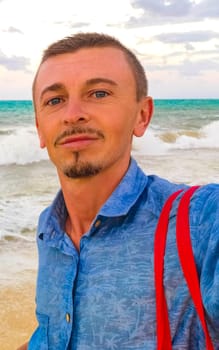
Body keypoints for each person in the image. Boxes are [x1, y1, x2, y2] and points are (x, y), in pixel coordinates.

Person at [17, 32, 219, 350]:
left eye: (98, 93)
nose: (73, 114)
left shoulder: (199, 220)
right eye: (54, 100)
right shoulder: (49, 228)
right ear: (40, 129)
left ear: (142, 116)